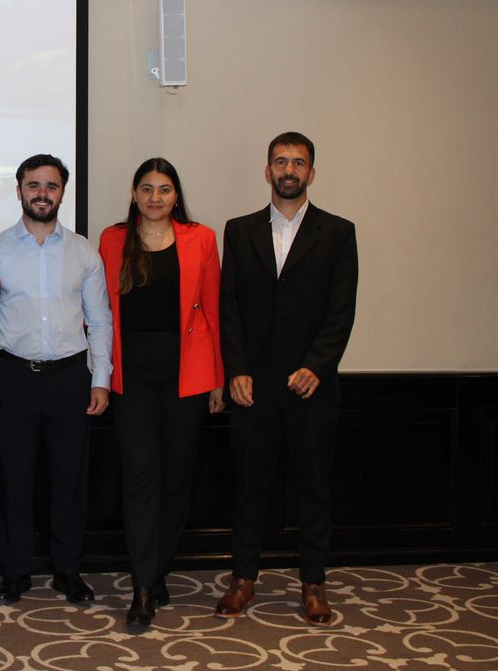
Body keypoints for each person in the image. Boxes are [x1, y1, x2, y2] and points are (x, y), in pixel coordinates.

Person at [215, 132, 358, 627]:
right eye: (281, 161)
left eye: (298, 162)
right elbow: (227, 307)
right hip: (252, 387)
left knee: (314, 488)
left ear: (312, 173)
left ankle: (314, 584)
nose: (289, 169)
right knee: (250, 487)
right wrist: (236, 369)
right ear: (267, 170)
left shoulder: (338, 233)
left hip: (312, 387)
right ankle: (243, 579)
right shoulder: (239, 230)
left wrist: (316, 365)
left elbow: (341, 312)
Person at [0, 154, 112, 606]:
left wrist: (102, 378)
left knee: (67, 480)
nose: (42, 193)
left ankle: (67, 570)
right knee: (14, 479)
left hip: (71, 378)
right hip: (14, 376)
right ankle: (15, 572)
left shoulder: (83, 252)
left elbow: (101, 320)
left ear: (62, 192)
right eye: (33, 185)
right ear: (19, 190)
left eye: (51, 186)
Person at [98, 158, 224, 630]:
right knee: (141, 479)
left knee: (177, 478)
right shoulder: (112, 239)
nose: (155, 197)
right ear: (133, 193)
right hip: (132, 377)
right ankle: (143, 586)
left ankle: (158, 566)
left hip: (186, 374)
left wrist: (216, 378)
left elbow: (212, 308)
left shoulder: (202, 238)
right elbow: (101, 311)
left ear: (176, 195)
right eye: (147, 188)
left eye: (165, 189)